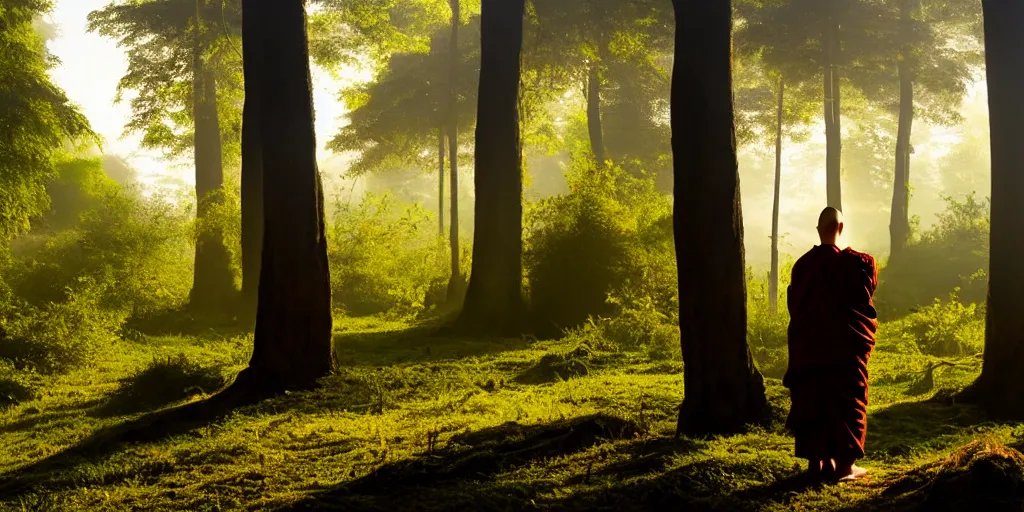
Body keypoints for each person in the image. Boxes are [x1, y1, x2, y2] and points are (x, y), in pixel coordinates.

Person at [784, 206, 878, 482]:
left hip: (809, 349)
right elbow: (863, 304)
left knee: (813, 401)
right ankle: (846, 468)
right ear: (840, 228)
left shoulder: (802, 265)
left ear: (818, 229)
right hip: (844, 350)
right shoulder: (857, 264)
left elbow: (796, 307)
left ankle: (818, 465)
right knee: (846, 401)